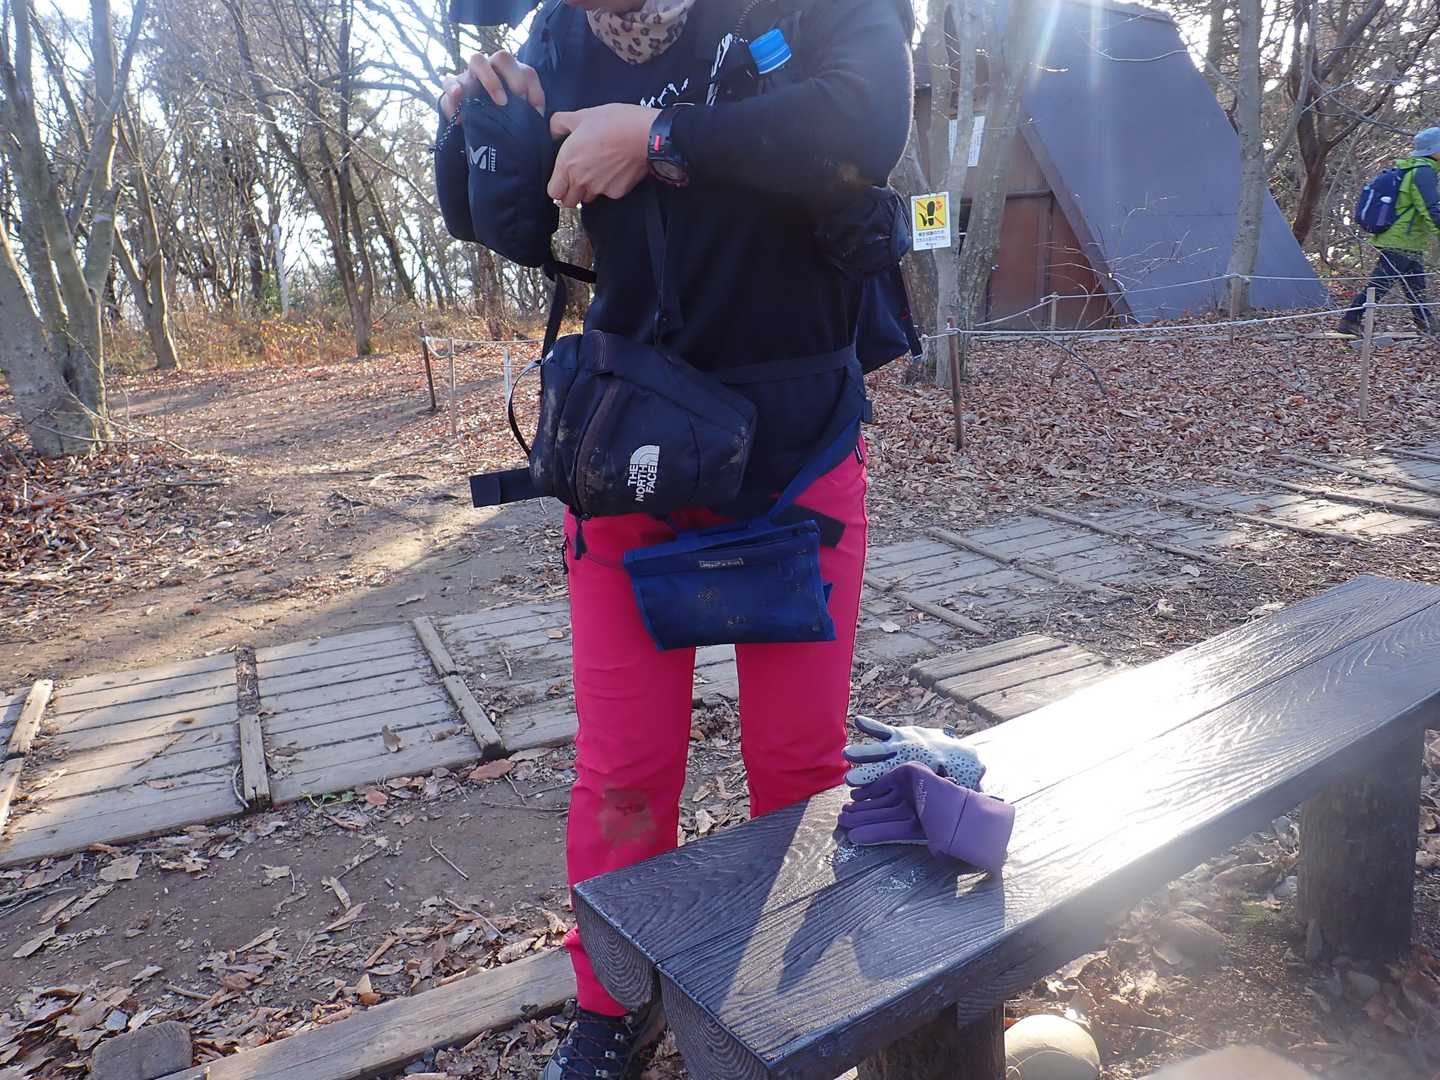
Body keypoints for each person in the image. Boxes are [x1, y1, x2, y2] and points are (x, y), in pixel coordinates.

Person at [433, 1, 912, 1077]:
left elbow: (867, 119)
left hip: (796, 448)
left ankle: (795, 992)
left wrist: (656, 137)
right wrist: (479, 131)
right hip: (632, 451)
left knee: (797, 762)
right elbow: (504, 224)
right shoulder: (562, 36)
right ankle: (615, 1001)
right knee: (624, 774)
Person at [1340, 126, 1440, 336]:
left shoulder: (1417, 169)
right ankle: (1351, 319)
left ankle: (1427, 324)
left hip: (1408, 238)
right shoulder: (1423, 172)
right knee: (1381, 283)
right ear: (1434, 150)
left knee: (1415, 285)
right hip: (1401, 239)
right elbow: (1430, 209)